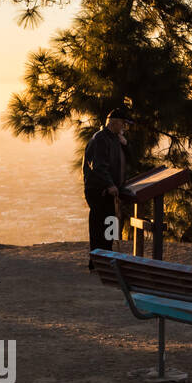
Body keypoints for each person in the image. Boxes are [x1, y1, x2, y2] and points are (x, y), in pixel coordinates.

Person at [84, 107, 133, 268]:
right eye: (123, 124)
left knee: (110, 224)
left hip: (111, 191)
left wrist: (125, 144)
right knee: (99, 226)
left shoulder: (114, 138)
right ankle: (98, 262)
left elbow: (130, 159)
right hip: (100, 191)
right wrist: (109, 184)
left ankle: (107, 258)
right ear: (115, 122)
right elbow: (98, 166)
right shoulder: (100, 139)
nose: (125, 127)